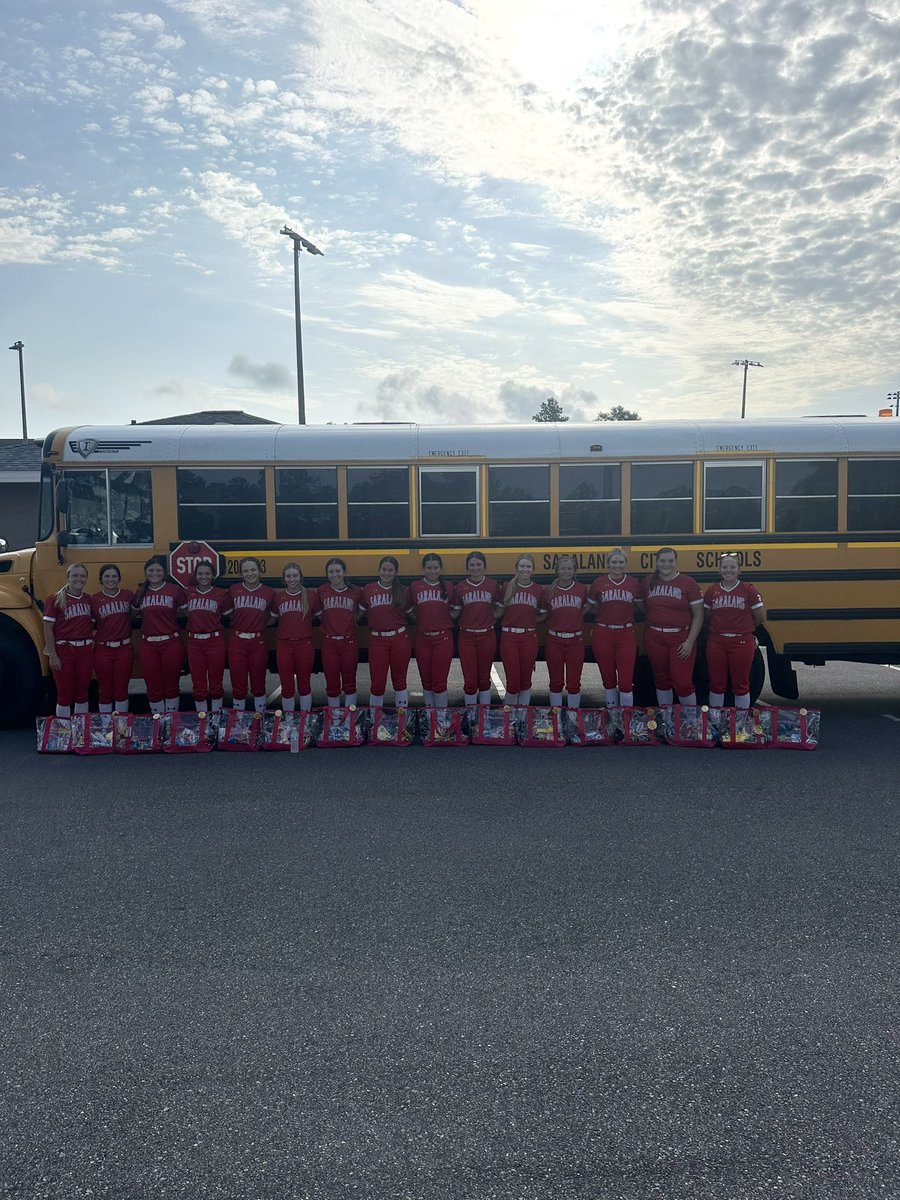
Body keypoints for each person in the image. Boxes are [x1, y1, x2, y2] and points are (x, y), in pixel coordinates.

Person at [641, 547, 704, 707]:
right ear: (656, 563)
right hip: (654, 636)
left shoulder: (688, 582)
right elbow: (643, 606)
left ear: (676, 562)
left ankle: (691, 723)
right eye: (662, 561)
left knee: (682, 683)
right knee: (661, 680)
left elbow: (698, 614)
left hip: (680, 638)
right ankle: (667, 721)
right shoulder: (648, 581)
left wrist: (689, 641)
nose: (666, 564)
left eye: (670, 560)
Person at [703, 552, 766, 709]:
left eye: (732, 567)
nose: (728, 570)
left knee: (741, 684)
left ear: (739, 570)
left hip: (741, 641)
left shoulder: (748, 590)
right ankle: (716, 722)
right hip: (717, 641)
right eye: (724, 567)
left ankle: (739, 724)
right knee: (717, 684)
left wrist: (744, 628)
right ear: (719, 570)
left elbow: (760, 617)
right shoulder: (712, 591)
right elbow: (706, 616)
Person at [588, 548, 641, 708]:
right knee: (608, 679)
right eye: (614, 562)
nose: (617, 565)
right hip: (603, 632)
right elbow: (591, 607)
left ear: (625, 564)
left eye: (621, 562)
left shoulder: (633, 583)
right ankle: (612, 717)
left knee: (625, 680)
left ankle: (626, 718)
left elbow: (639, 606)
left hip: (625, 633)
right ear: (608, 564)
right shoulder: (598, 583)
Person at [494, 554, 549, 708]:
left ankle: (523, 717)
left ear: (533, 570)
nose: (525, 569)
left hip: (529, 636)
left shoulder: (538, 589)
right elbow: (498, 612)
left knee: (525, 681)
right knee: (513, 681)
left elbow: (543, 614)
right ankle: (510, 717)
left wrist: (530, 622)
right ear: (516, 568)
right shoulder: (506, 587)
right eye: (522, 566)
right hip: (509, 636)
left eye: (528, 566)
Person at [133, 556, 187, 714]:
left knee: (171, 685)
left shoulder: (175, 590)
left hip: (170, 642)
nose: (154, 573)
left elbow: (187, 613)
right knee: (153, 685)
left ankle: (170, 721)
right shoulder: (140, 592)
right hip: (149, 643)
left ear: (165, 573)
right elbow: (131, 614)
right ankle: (157, 721)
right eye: (151, 570)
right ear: (145, 572)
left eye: (158, 570)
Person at [359, 555, 411, 709]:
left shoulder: (403, 591)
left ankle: (402, 718)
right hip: (377, 639)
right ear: (378, 570)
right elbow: (359, 613)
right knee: (377, 682)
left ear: (396, 572)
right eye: (384, 569)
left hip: (399, 638)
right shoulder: (369, 589)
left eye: (390, 570)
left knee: (400, 681)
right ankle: (375, 721)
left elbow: (412, 613)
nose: (387, 573)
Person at [43, 562, 93, 718]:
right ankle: (64, 733)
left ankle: (80, 732)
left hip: (85, 650)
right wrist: (52, 654)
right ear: (68, 578)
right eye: (75, 575)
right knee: (65, 694)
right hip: (64, 650)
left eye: (82, 576)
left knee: (82, 693)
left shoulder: (88, 599)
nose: (79, 579)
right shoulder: (56, 599)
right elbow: (48, 628)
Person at [451, 551, 500, 709]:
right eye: (472, 565)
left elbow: (499, 609)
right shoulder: (461, 587)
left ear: (485, 567)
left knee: (484, 678)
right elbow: (456, 612)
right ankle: (471, 715)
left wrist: (491, 618)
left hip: (487, 635)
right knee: (470, 680)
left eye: (479, 564)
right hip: (466, 636)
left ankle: (484, 716)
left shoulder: (493, 585)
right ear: (467, 568)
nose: (475, 568)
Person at [227, 557, 275, 712]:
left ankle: (259, 719)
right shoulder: (233, 589)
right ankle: (238, 721)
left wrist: (260, 625)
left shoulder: (269, 592)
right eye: (246, 571)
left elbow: (273, 616)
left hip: (258, 640)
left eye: (253, 570)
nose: (250, 573)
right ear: (241, 573)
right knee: (238, 682)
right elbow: (228, 613)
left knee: (258, 681)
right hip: (237, 640)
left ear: (260, 571)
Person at [182, 560, 231, 712]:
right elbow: (184, 612)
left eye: (207, 573)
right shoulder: (187, 592)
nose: (204, 576)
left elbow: (228, 615)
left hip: (214, 640)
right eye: (200, 573)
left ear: (213, 575)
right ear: (195, 575)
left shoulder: (221, 594)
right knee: (198, 683)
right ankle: (201, 720)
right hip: (195, 641)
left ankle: (216, 718)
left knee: (216, 682)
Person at [409, 553, 456, 709]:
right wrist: (424, 621)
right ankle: (430, 717)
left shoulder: (448, 586)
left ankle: (441, 719)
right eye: (429, 568)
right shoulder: (415, 586)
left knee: (440, 681)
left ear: (440, 569)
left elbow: (455, 611)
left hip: (443, 638)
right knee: (426, 681)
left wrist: (442, 619)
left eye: (435, 568)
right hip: (423, 638)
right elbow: (410, 611)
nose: (432, 571)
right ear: (423, 569)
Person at [273, 563, 321, 712]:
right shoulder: (279, 597)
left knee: (304, 683)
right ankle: (288, 720)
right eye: (288, 576)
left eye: (295, 576)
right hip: (284, 644)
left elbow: (322, 617)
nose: (292, 579)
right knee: (287, 685)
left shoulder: (310, 595)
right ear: (283, 578)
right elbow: (272, 619)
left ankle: (305, 720)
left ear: (300, 577)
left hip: (304, 643)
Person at [545, 553, 590, 709]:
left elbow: (587, 607)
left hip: (575, 640)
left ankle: (572, 717)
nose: (566, 571)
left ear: (574, 570)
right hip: (555, 639)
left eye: (569, 568)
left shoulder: (582, 589)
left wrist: (575, 616)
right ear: (557, 570)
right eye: (563, 568)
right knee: (556, 681)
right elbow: (545, 612)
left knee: (574, 682)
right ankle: (556, 719)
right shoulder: (549, 590)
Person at [90, 564, 135, 714]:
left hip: (123, 648)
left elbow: (134, 615)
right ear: (101, 579)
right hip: (103, 648)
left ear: (119, 578)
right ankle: (106, 728)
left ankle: (121, 727)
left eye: (114, 576)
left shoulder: (128, 595)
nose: (111, 579)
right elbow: (90, 624)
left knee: (121, 689)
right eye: (107, 576)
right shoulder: (94, 599)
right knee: (104, 689)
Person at [317, 558, 361, 708]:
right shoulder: (322, 590)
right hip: (329, 641)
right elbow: (318, 613)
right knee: (332, 682)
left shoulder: (355, 591)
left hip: (348, 640)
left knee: (349, 681)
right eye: (331, 571)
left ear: (344, 572)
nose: (334, 575)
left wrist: (351, 621)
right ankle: (335, 719)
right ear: (327, 574)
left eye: (338, 571)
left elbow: (361, 611)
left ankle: (349, 719)